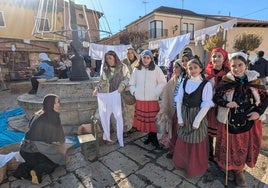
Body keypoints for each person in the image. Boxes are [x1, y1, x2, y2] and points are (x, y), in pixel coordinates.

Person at [213, 51, 268, 187]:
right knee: (228, 148)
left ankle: (239, 172)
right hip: (229, 121)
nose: (236, 69)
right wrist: (226, 103)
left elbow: (265, 98)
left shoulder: (254, 81)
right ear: (230, 66)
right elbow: (216, 97)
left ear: (246, 65)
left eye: (240, 65)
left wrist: (258, 112)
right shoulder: (226, 81)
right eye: (233, 66)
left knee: (241, 149)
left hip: (248, 122)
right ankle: (229, 170)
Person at [172, 58, 214, 178]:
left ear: (201, 68)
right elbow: (179, 100)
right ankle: (182, 163)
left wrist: (197, 121)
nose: (193, 70)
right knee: (183, 138)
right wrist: (180, 118)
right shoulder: (185, 81)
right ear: (187, 70)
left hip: (197, 115)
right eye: (190, 68)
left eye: (195, 67)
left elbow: (206, 105)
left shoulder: (206, 85)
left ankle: (194, 167)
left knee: (196, 140)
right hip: (184, 114)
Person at [14, 94, 66, 184]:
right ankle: (38, 171)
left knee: (32, 162)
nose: (59, 105)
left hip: (24, 149)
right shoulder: (53, 116)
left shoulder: (38, 114)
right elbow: (60, 138)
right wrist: (62, 150)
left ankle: (21, 171)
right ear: (51, 104)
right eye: (57, 103)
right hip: (35, 150)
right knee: (56, 161)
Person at [129, 49, 166, 148]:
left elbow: (162, 82)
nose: (146, 59)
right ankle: (150, 137)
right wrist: (134, 92)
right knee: (146, 121)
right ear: (141, 58)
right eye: (144, 57)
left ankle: (154, 138)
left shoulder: (156, 69)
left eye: (148, 58)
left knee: (153, 121)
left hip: (152, 99)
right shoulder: (136, 69)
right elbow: (131, 83)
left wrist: (156, 92)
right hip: (140, 99)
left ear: (151, 59)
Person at [92, 50, 130, 147]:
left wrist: (122, 85)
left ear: (115, 58)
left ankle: (121, 133)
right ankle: (113, 135)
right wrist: (97, 89)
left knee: (121, 115)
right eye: (107, 58)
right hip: (111, 94)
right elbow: (103, 81)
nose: (108, 60)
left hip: (121, 94)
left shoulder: (123, 67)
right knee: (112, 116)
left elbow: (128, 78)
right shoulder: (106, 69)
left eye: (110, 58)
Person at [156, 59, 186, 158]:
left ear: (182, 68)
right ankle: (173, 150)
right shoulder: (173, 79)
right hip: (173, 111)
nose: (174, 69)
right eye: (173, 67)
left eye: (176, 67)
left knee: (180, 132)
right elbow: (166, 93)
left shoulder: (185, 80)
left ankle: (178, 151)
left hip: (182, 112)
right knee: (173, 131)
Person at [205, 47, 230, 162]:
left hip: (222, 108)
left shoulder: (228, 75)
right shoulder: (206, 74)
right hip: (209, 109)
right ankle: (209, 153)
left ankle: (220, 155)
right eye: (214, 56)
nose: (216, 58)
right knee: (208, 132)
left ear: (224, 58)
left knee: (221, 133)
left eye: (219, 56)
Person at [121, 47, 140, 136]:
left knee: (136, 109)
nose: (130, 54)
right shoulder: (123, 62)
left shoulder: (139, 62)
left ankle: (135, 125)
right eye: (128, 53)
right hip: (126, 88)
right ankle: (127, 127)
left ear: (134, 53)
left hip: (137, 88)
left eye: (131, 53)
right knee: (127, 110)